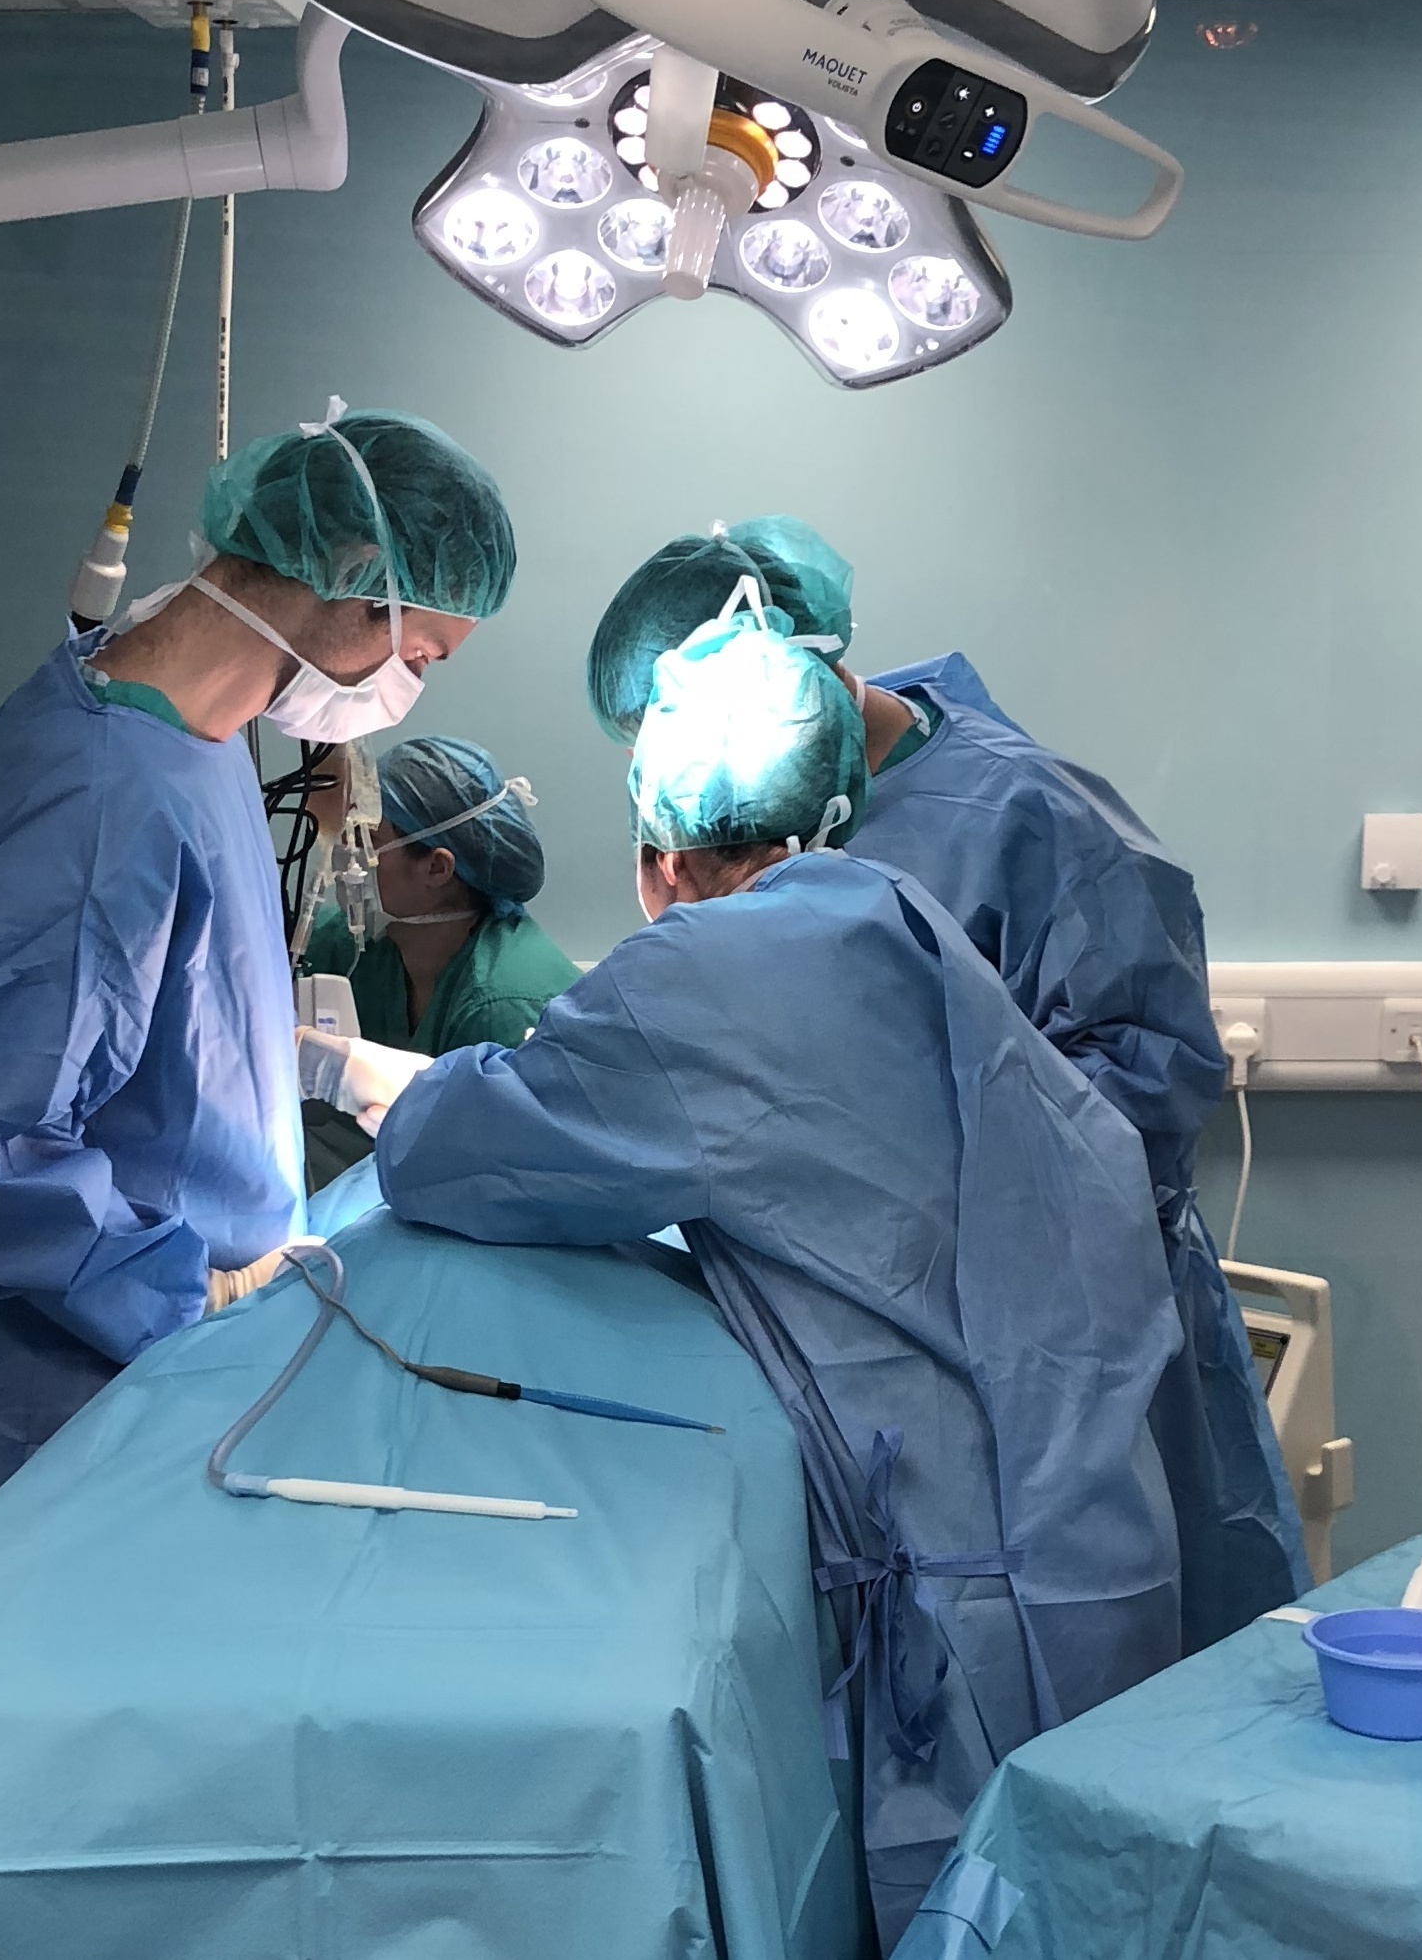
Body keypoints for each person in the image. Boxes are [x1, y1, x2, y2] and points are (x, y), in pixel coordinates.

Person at [330, 607, 1182, 1949]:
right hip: (1091, 1535)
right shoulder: (887, 909)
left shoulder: (705, 976)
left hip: (966, 1601)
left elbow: (464, 1154)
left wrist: (385, 1085)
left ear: (656, 853)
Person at [587, 520, 1308, 1646]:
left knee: (1105, 1678)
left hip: (1060, 1331)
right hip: (872, 1343)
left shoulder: (1027, 815)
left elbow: (1140, 1103)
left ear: (800, 664)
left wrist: (897, 1167)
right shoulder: (748, 818)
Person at [0, 405, 514, 1602]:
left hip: (150, 1377)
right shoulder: (109, 793)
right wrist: (185, 1289)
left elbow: (132, 999)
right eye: (423, 652)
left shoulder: (188, 732)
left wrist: (311, 1060)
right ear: (358, 580)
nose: (407, 686)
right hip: (65, 1402)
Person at [299, 736, 579, 1053]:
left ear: (437, 868)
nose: (346, 853)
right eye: (349, 833)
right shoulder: (356, 948)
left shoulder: (504, 1006)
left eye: (367, 839)